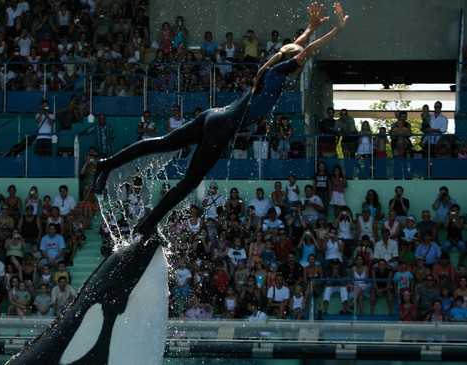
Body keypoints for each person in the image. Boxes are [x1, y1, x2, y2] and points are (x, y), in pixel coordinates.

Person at [94, 3, 350, 239]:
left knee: (161, 142)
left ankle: (107, 164)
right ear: (296, 65)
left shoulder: (269, 69)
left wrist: (310, 28)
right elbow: (305, 51)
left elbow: (290, 50)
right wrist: (336, 30)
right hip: (222, 129)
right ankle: (147, 225)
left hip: (213, 115)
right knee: (189, 182)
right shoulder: (278, 76)